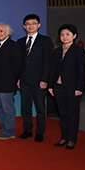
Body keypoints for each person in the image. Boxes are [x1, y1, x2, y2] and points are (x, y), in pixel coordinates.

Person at [48, 24, 85, 150]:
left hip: (73, 88)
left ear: (74, 36)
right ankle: (64, 137)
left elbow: (81, 70)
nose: (64, 37)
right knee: (62, 114)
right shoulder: (57, 51)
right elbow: (53, 69)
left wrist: (79, 88)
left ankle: (71, 139)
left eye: (68, 34)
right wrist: (51, 85)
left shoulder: (78, 51)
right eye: (62, 34)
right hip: (58, 87)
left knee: (73, 114)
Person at [17, 14, 52, 142]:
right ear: (24, 26)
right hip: (25, 80)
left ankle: (40, 132)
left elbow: (48, 62)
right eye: (28, 23)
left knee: (40, 108)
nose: (30, 26)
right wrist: (19, 78)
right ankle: (27, 130)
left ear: (38, 25)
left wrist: (45, 79)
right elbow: (20, 63)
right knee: (25, 107)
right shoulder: (20, 42)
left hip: (39, 81)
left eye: (33, 23)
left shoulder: (45, 41)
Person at [0, 23, 23, 139]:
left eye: (1, 31)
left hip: (7, 84)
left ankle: (10, 131)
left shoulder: (13, 46)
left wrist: (16, 80)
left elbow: (17, 66)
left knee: (8, 109)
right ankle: (3, 128)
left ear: (8, 32)